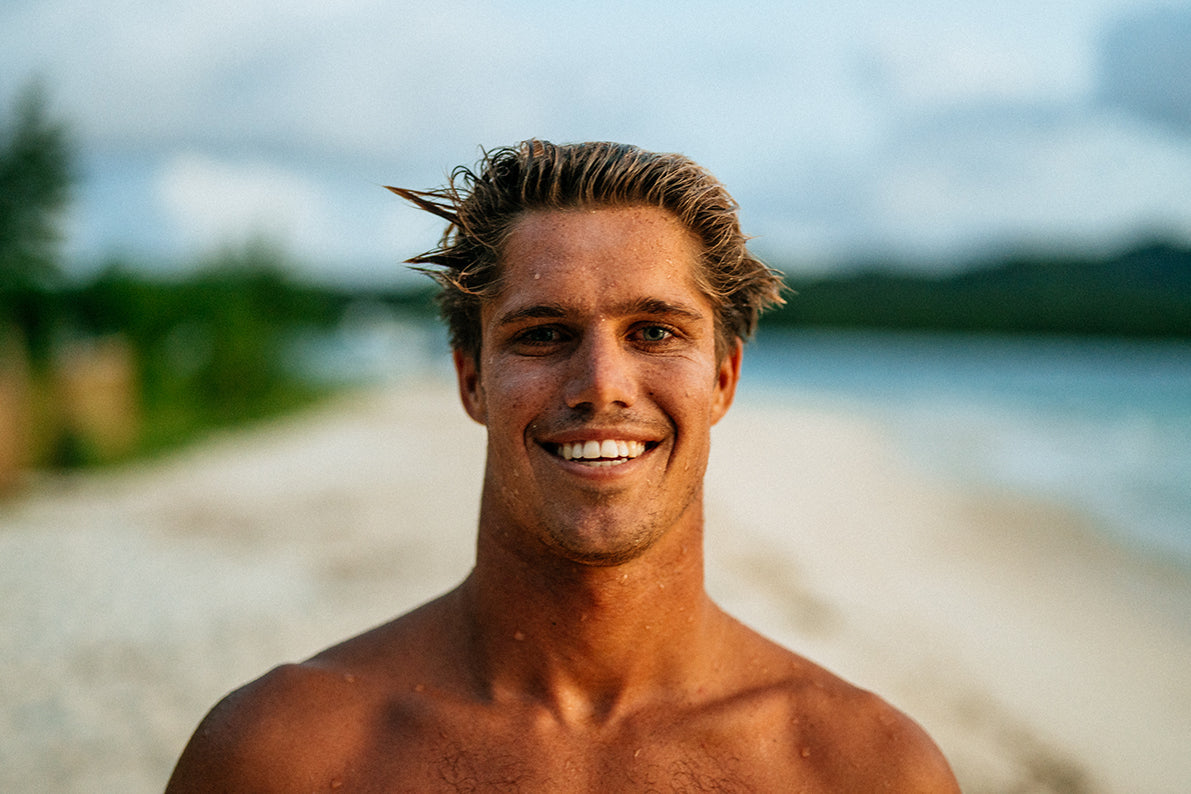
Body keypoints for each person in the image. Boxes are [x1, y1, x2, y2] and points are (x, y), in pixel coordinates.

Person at [166, 140, 959, 792]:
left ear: (722, 379)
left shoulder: (866, 768)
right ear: (471, 380)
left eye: (653, 332)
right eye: (543, 334)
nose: (601, 386)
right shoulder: (280, 755)